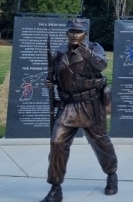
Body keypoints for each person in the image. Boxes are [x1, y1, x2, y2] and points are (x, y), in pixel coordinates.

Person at [40, 18, 118, 202]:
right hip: (68, 105)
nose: (75, 34)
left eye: (79, 31)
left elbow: (102, 65)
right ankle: (55, 188)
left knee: (101, 143)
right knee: (57, 142)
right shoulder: (59, 53)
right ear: (67, 33)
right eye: (71, 31)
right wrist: (51, 81)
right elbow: (58, 75)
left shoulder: (94, 48)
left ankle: (111, 174)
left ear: (85, 34)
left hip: (91, 104)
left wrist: (88, 53)